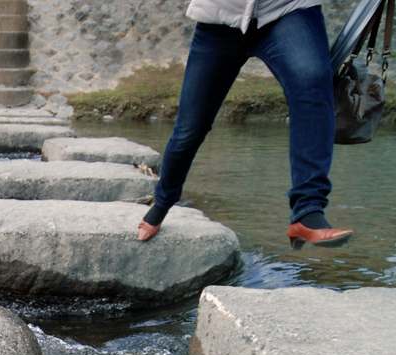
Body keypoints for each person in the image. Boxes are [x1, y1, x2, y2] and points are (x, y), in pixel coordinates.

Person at [138, 0, 353, 250]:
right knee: (190, 128)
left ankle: (308, 209)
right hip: (220, 16)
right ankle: (163, 201)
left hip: (288, 9)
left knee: (313, 82)